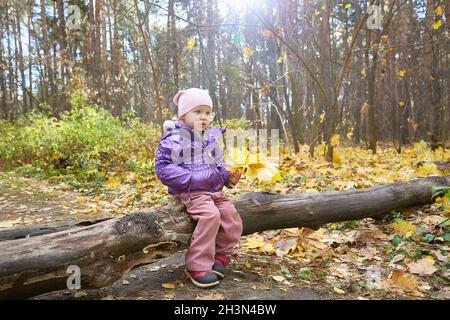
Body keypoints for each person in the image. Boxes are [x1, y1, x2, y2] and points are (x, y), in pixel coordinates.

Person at [155, 88, 243, 288]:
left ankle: (219, 257)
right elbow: (163, 168)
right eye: (198, 112)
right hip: (191, 191)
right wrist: (190, 179)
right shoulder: (174, 138)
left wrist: (228, 175)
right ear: (183, 115)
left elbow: (218, 164)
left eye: (207, 112)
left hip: (213, 190)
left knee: (230, 216)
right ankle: (197, 265)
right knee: (210, 216)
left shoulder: (210, 138)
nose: (204, 117)